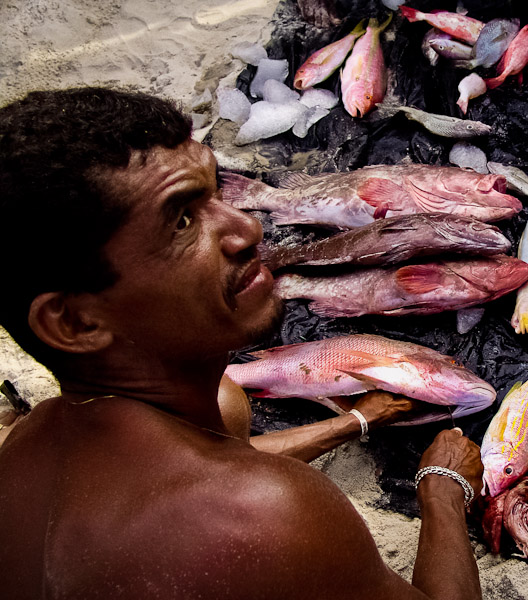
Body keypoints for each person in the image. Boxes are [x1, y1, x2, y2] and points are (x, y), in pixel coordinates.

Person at [0, 87, 484, 599]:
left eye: (214, 194)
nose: (249, 226)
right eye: (182, 220)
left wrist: (354, 421)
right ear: (74, 322)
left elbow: (224, 452)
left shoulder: (29, 445)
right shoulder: (265, 517)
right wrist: (441, 491)